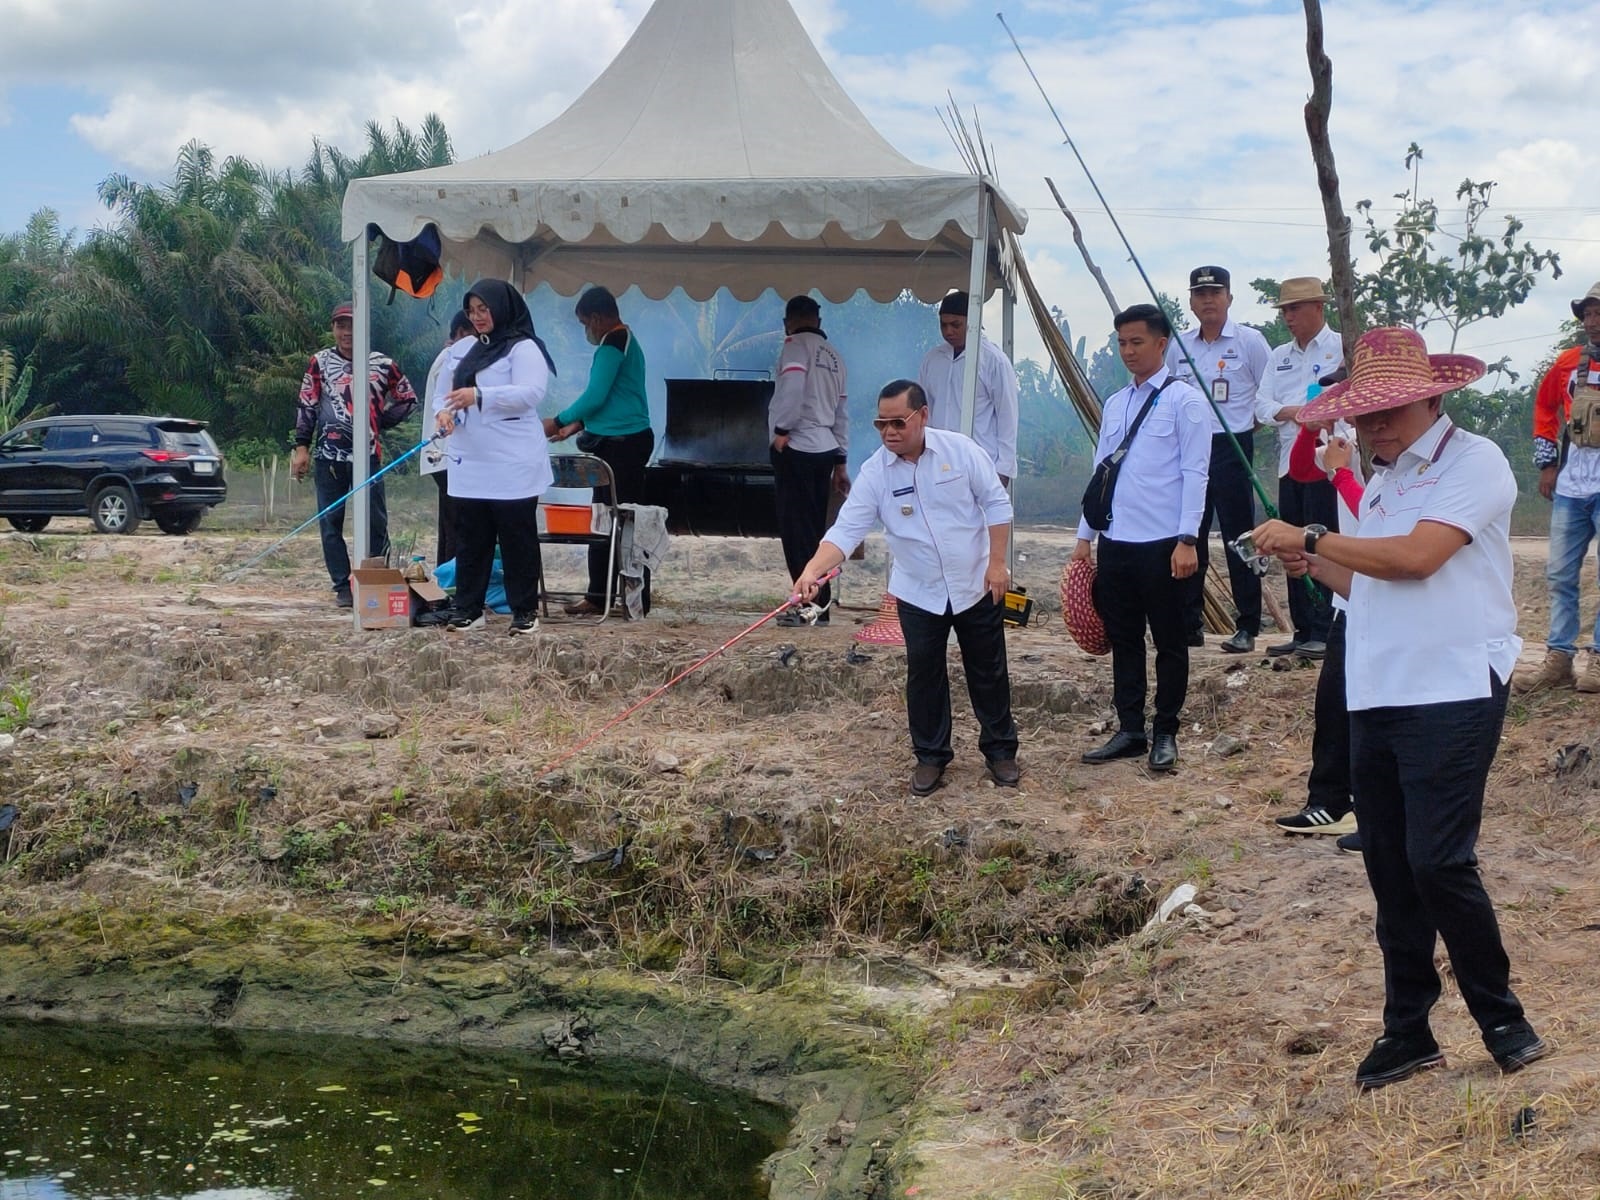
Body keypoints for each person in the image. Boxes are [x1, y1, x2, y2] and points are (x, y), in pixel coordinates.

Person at [1251, 326, 1547, 1090]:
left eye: (1393, 409)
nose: (1376, 426)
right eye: (1365, 413)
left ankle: (1503, 1018)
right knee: (1388, 864)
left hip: (1451, 685)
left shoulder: (1473, 461)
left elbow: (1417, 560)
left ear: (1433, 396)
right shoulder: (1376, 483)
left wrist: (1315, 532)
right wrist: (1312, 561)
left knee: (1438, 860)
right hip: (1378, 687)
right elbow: (1368, 584)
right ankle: (1408, 1028)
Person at [794, 380, 1018, 795]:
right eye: (881, 424)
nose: (889, 432)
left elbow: (997, 503)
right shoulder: (875, 472)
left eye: (898, 422)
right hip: (919, 591)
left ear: (923, 416)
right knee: (924, 674)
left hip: (975, 582)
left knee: (987, 669)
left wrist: (998, 563)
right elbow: (846, 530)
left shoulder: (961, 451)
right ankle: (931, 757)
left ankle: (1001, 752)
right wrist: (812, 570)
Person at [1076, 304, 1209, 773]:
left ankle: (1166, 731)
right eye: (1122, 343)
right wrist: (1084, 538)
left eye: (1137, 342)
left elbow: (1196, 474)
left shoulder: (1185, 402)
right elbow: (1101, 475)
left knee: (1170, 641)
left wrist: (1188, 539)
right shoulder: (1116, 403)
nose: (1128, 351)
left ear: (1161, 343)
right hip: (1117, 543)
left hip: (1165, 544)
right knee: (1125, 639)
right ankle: (1130, 727)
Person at [432, 280, 555, 635]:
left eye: (483, 309)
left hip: (512, 462)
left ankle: (524, 612)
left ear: (502, 307)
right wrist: (444, 413)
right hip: (470, 461)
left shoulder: (523, 348)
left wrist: (480, 395)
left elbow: (530, 393)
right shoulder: (464, 348)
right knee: (471, 537)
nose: (477, 317)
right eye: (472, 311)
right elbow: (446, 394)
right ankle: (469, 608)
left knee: (516, 538)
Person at [1272, 390, 1366, 844]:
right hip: (1356, 594)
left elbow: (1373, 522)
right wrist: (1313, 427)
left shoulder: (1375, 455)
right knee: (1333, 702)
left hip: (1389, 601)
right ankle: (1331, 803)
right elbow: (1300, 467)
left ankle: (1373, 813)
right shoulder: (1343, 443)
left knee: (1371, 711)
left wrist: (1342, 472)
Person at [1165, 266, 1272, 652]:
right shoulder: (1180, 346)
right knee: (1188, 531)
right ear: (1190, 301)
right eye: (1200, 293)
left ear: (1229, 297)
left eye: (1215, 292)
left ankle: (1247, 624)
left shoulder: (1250, 342)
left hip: (1232, 445)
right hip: (1188, 450)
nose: (1208, 299)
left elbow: (1267, 395)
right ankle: (1188, 623)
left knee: (1239, 536)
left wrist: (1246, 429)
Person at [291, 301, 418, 607]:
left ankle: (374, 581)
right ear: (333, 329)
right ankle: (342, 587)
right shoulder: (319, 363)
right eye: (340, 325)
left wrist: (379, 421)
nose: (346, 332)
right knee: (330, 522)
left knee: (376, 523)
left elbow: (408, 398)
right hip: (329, 457)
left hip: (369, 455)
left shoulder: (382, 364)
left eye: (352, 325)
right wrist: (301, 447)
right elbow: (307, 404)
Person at [543, 286, 654, 617]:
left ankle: (606, 597)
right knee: (616, 519)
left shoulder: (611, 345)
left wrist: (558, 420)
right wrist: (577, 425)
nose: (585, 331)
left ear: (596, 317)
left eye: (583, 323)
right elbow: (613, 398)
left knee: (611, 521)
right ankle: (607, 595)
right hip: (626, 438)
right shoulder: (627, 340)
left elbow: (595, 395)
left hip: (621, 443)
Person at [1512, 281, 1600, 694]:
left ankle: (1598, 658)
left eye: (1598, 313)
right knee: (1560, 573)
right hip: (1573, 483)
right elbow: (1545, 405)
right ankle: (1559, 657)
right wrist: (1547, 463)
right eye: (1587, 314)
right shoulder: (1568, 362)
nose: (1592, 321)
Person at [1254, 277, 1344, 658]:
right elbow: (1261, 407)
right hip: (1290, 464)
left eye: (1295, 308)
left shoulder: (1342, 346)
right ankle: (1303, 628)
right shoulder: (1279, 356)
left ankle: (1325, 630)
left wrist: (1320, 415)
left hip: (1328, 461)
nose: (1289, 317)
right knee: (1290, 545)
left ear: (1318, 307)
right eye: (1285, 310)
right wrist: (1295, 413)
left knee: (1322, 540)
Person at [768, 295, 849, 627]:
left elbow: (792, 388)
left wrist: (782, 430)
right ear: (819, 320)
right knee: (817, 531)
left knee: (796, 530)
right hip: (826, 449)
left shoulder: (794, 346)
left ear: (790, 321)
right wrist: (842, 460)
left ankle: (806, 605)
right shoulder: (835, 356)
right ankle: (821, 604)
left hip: (799, 446)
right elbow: (842, 412)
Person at [917, 291, 1020, 485]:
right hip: (938, 462)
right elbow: (923, 411)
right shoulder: (932, 359)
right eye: (943, 325)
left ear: (973, 321)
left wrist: (1003, 469)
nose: (949, 331)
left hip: (981, 463)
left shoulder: (994, 360)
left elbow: (1008, 416)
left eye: (955, 325)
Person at [422, 309, 474, 567]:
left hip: (444, 454)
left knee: (450, 523)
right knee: (457, 524)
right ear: (463, 333)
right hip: (445, 453)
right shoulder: (451, 358)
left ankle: (445, 577)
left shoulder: (448, 356)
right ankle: (453, 580)